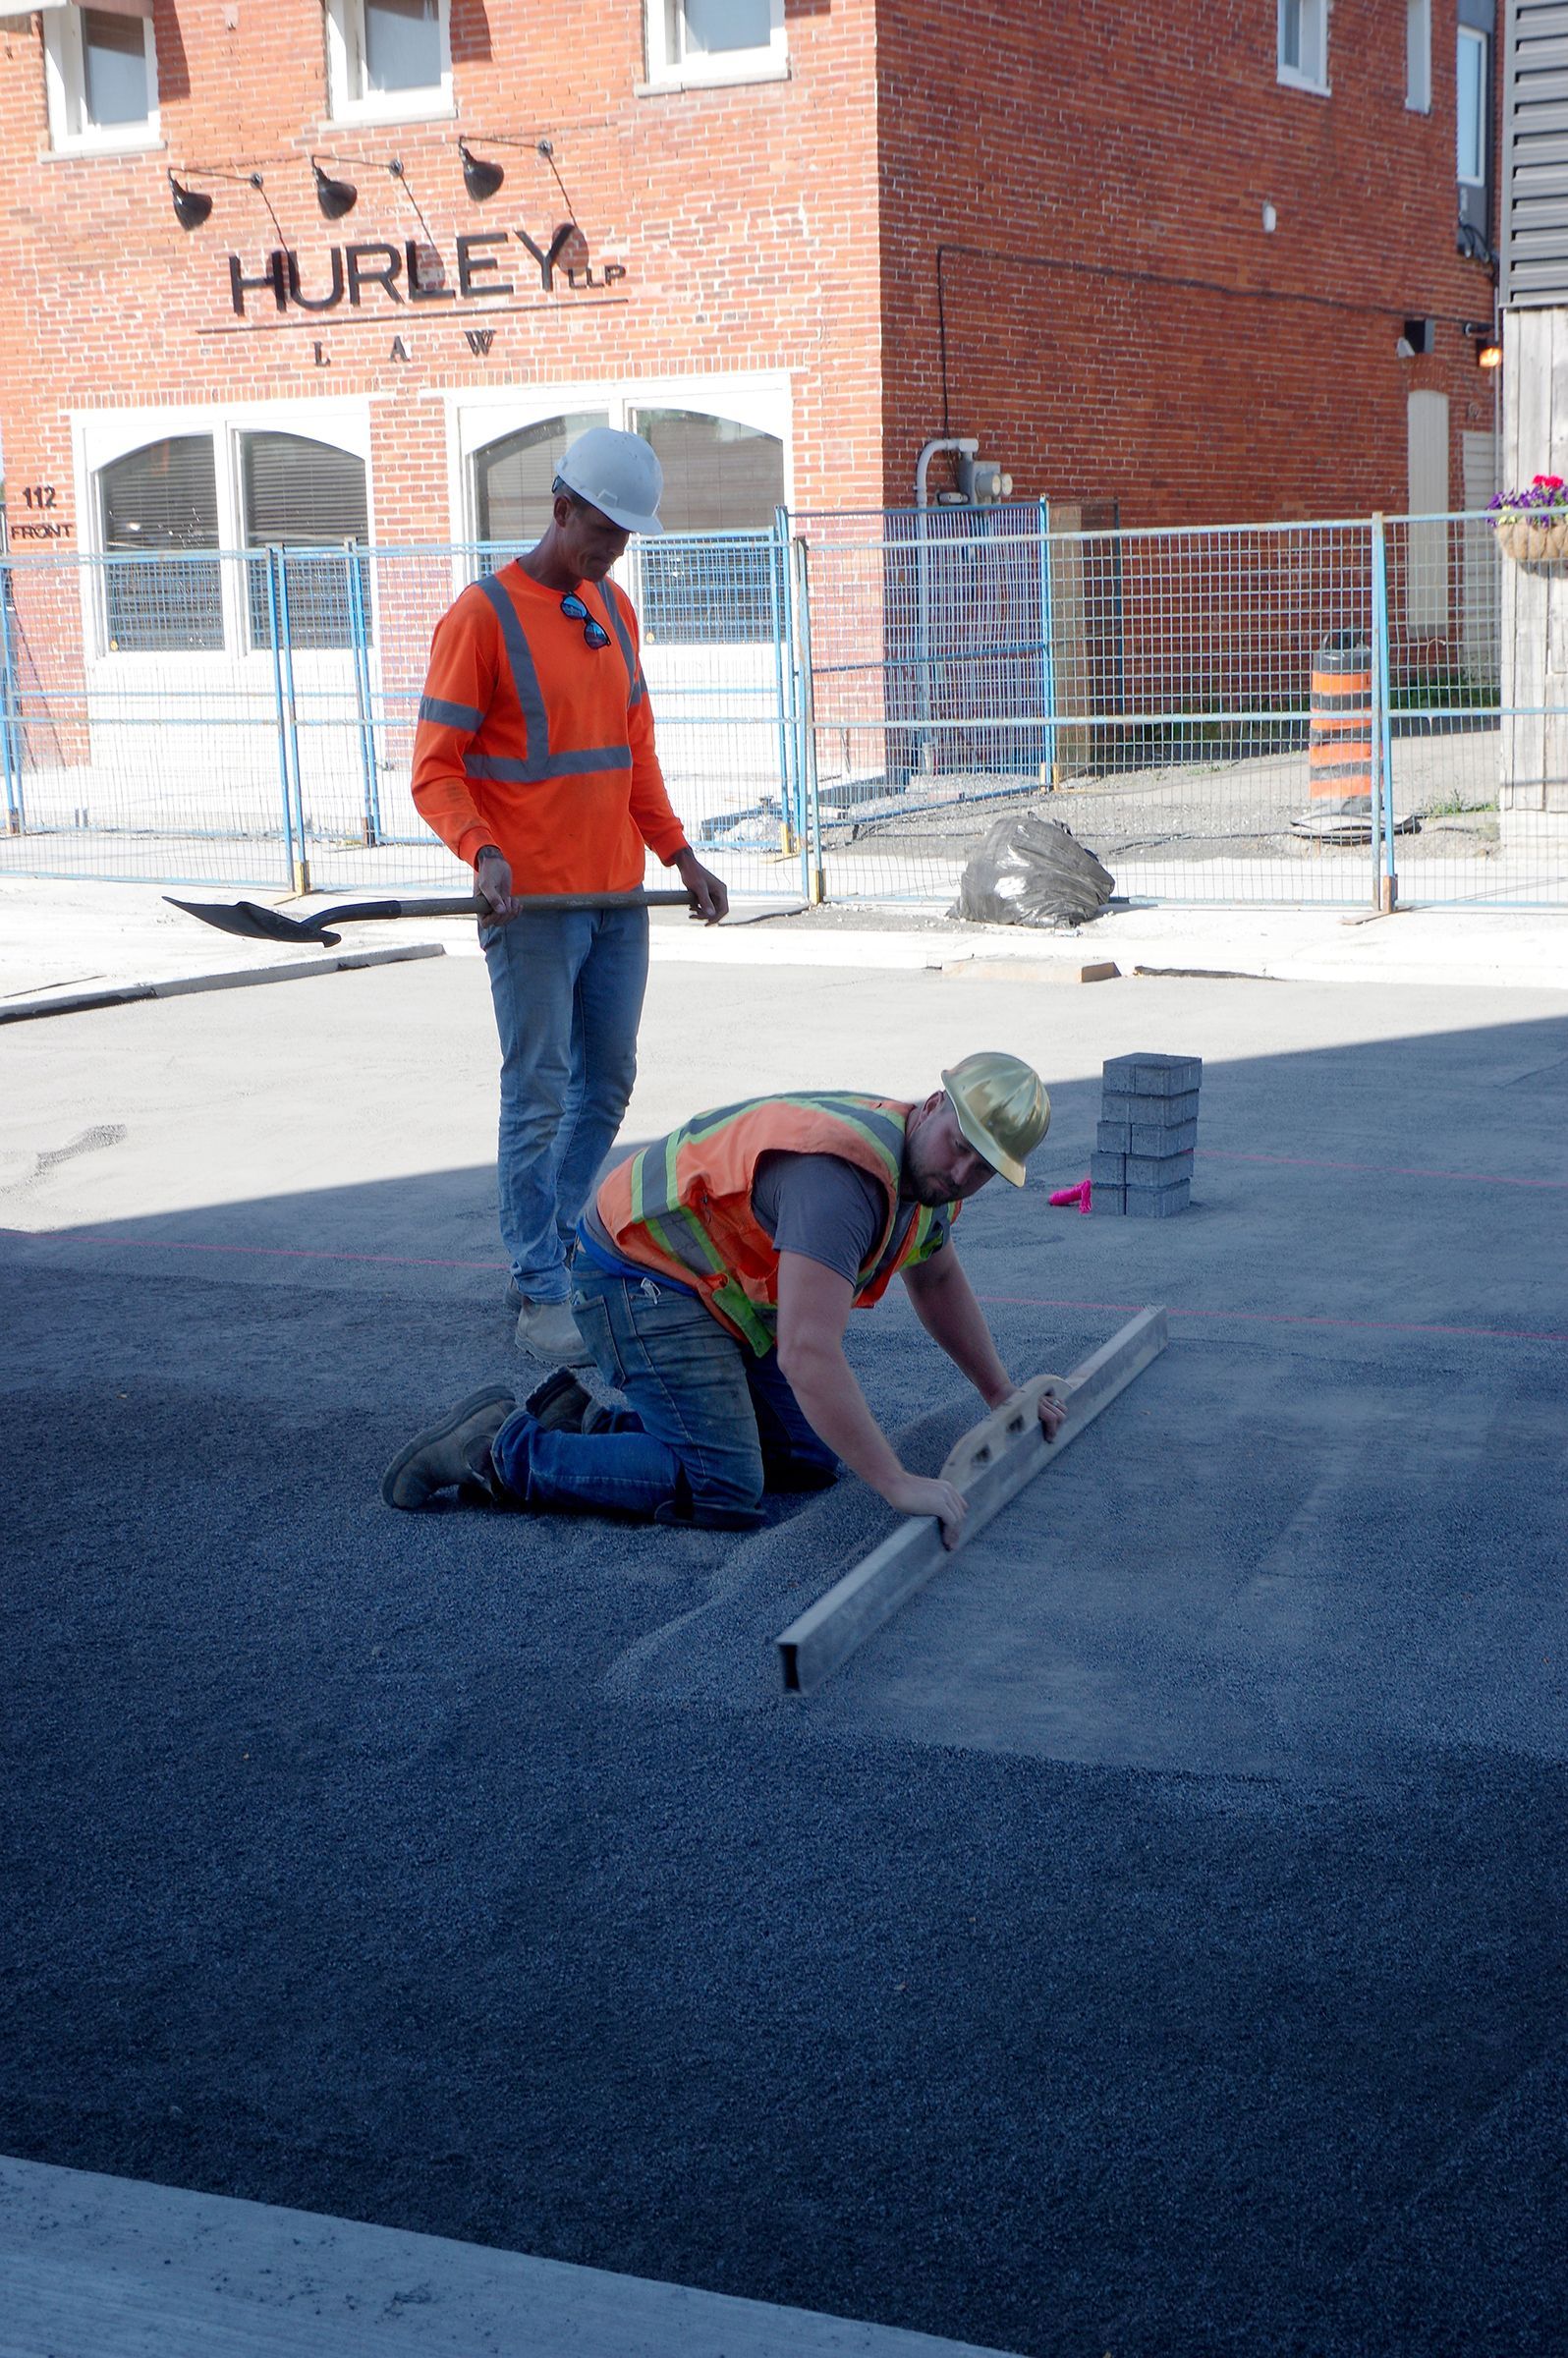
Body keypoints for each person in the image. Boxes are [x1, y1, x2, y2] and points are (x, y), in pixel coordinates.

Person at [381, 1052, 1066, 1547]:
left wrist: (1000, 1392)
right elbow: (806, 1352)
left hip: (711, 1290)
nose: (960, 1173)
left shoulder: (919, 1175)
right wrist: (894, 1482)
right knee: (725, 1485)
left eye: (984, 1169)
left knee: (802, 1458)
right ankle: (500, 1449)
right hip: (636, 1273)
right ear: (937, 1103)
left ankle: (583, 1422)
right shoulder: (843, 1183)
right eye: (960, 1147)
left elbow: (938, 1278)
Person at [411, 425, 728, 1370]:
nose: (611, 550)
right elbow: (435, 772)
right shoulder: (481, 618)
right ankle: (541, 1285)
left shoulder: (613, 611)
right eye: (601, 530)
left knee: (609, 1080)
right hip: (534, 912)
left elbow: (634, 756)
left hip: (616, 900)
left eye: (624, 537)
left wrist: (678, 853)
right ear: (558, 509)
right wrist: (483, 853)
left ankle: (550, 1243)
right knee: (539, 1094)